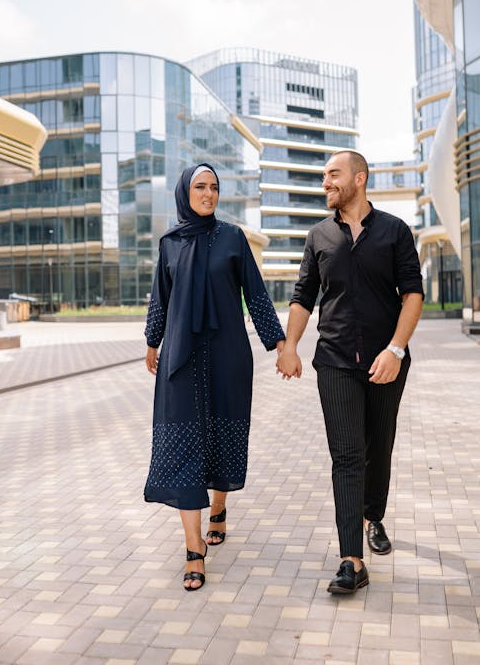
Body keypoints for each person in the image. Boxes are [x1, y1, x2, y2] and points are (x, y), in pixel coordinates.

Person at [277, 150, 423, 594]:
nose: (325, 183)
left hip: (386, 361)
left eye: (332, 175)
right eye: (323, 176)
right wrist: (290, 345)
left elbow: (413, 294)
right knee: (346, 455)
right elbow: (303, 296)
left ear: (359, 179)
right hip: (336, 360)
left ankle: (372, 515)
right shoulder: (318, 235)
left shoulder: (395, 232)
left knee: (379, 446)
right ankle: (351, 560)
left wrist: (395, 350)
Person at [144, 163, 285, 591]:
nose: (208, 193)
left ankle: (219, 508)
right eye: (200, 186)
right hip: (180, 361)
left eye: (214, 188)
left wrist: (281, 344)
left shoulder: (233, 238)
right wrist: (152, 342)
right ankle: (193, 550)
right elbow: (160, 299)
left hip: (227, 356)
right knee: (183, 444)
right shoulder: (170, 243)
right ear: (185, 191)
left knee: (220, 438)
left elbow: (255, 293)